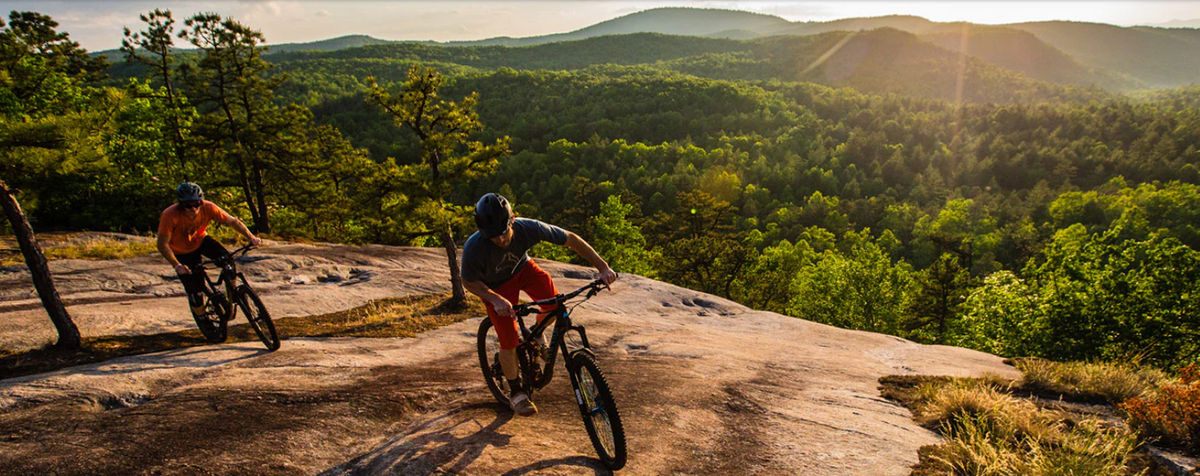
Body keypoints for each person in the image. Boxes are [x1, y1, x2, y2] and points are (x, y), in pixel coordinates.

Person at [462, 193, 618, 417]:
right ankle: (516, 392)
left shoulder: (528, 228)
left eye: (504, 231)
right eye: (493, 236)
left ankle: (537, 334)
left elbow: (571, 239)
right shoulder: (474, 247)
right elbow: (468, 281)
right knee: (509, 339)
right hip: (495, 287)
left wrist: (602, 267)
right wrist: (494, 298)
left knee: (555, 304)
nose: (501, 239)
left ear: (512, 219)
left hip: (523, 269)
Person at [157, 182, 261, 321]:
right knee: (195, 290)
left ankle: (233, 292)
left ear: (201, 201)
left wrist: (251, 237)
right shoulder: (169, 215)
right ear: (181, 204)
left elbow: (232, 221)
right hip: (181, 251)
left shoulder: (208, 207)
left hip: (201, 240)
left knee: (227, 261)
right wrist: (177, 265)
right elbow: (162, 245)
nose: (193, 208)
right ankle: (202, 318)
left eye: (197, 204)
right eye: (188, 205)